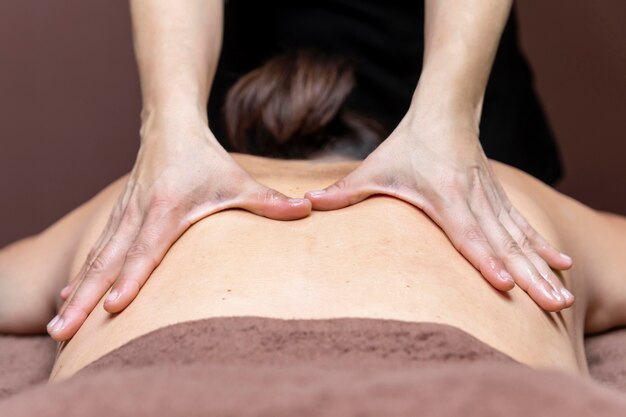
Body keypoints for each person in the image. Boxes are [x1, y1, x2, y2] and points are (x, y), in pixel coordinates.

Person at [0, 53, 623, 382]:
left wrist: (166, 125)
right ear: (383, 144)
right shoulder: (500, 200)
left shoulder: (142, 204)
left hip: (145, 384)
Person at [48, 0, 575, 341]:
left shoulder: (122, 222)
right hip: (228, 112)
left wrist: (451, 111)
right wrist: (171, 127)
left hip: (449, 95)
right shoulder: (529, 206)